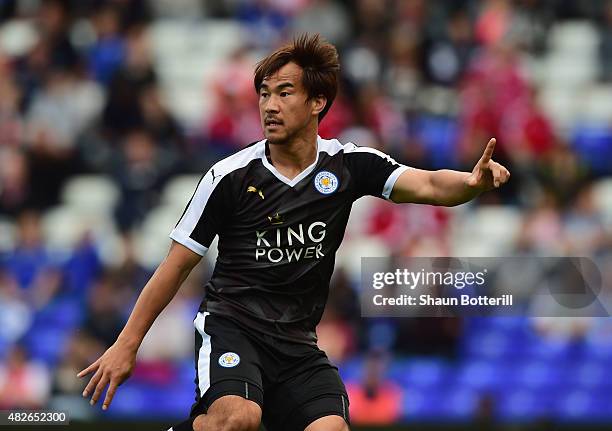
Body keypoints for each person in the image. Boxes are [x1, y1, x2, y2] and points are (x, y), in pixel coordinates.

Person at [77, 34, 510, 431]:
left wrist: (471, 185)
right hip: (233, 327)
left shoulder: (348, 164)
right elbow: (174, 267)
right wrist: (126, 344)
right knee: (238, 418)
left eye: (284, 93)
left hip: (298, 343)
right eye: (264, 94)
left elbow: (430, 185)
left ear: (318, 101)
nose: (269, 105)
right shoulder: (229, 176)